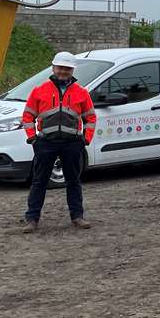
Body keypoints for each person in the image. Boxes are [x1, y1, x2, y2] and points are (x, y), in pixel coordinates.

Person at [21, 51, 96, 232]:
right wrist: (32, 138)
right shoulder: (39, 90)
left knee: (73, 181)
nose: (63, 71)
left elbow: (91, 117)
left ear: (72, 70)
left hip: (72, 143)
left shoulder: (81, 93)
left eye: (67, 69)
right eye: (60, 68)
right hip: (46, 143)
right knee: (39, 181)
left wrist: (85, 140)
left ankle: (77, 217)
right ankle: (32, 219)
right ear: (53, 68)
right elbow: (28, 115)